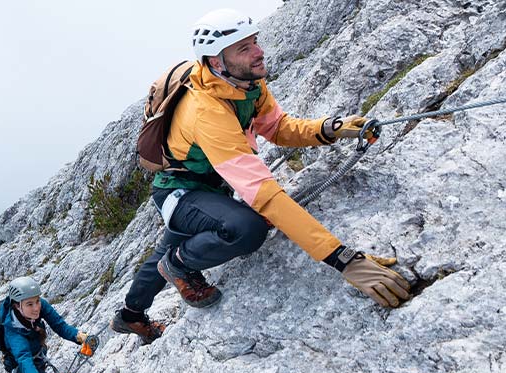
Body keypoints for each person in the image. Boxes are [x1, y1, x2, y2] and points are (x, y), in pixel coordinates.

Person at [110, 9, 413, 345]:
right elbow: (264, 194)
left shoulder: (244, 83)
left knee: (175, 243)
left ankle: (130, 315)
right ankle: (178, 266)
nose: (259, 52)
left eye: (254, 41)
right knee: (247, 228)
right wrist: (343, 259)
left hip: (210, 185)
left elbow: (278, 127)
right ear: (216, 60)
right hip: (179, 191)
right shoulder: (206, 111)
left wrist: (329, 129)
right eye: (244, 48)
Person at [0, 277, 92, 373]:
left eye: (37, 301)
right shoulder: (12, 329)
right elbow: (24, 361)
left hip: (37, 352)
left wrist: (78, 336)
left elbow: (59, 326)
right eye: (29, 304)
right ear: (17, 306)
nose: (36, 308)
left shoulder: (40, 306)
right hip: (17, 365)